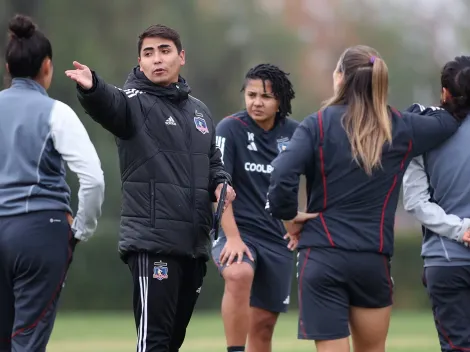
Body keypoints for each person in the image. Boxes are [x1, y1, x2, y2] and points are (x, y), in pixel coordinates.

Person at [265, 45, 464, 352]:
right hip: (372, 260)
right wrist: (416, 111)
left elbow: (281, 175)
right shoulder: (399, 126)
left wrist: (290, 217)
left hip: (322, 256)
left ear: (340, 77)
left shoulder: (317, 124)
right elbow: (448, 122)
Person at [65, 24, 235, 352]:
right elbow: (110, 103)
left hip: (193, 245)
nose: (157, 59)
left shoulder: (200, 112)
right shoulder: (133, 102)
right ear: (140, 61)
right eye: (148, 53)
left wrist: (221, 185)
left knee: (172, 342)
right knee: (154, 342)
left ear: (181, 56)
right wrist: (93, 88)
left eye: (165, 50)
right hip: (152, 244)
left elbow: (213, 163)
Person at [0, 14, 105, 352]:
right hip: (40, 232)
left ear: (7, 66)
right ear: (46, 67)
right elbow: (92, 177)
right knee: (27, 341)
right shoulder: (57, 113)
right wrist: (81, 230)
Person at [212, 63, 304, 352]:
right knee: (239, 274)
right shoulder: (230, 128)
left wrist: (299, 221)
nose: (256, 102)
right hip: (237, 230)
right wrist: (234, 238)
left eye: (265, 96)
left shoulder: (297, 133)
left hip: (277, 238)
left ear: (280, 101)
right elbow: (218, 189)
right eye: (251, 95)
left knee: (263, 328)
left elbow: (312, 183)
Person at [402, 56, 470, 352]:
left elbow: (416, 201)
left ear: (445, 93)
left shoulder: (422, 131)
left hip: (446, 260)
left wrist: (460, 230)